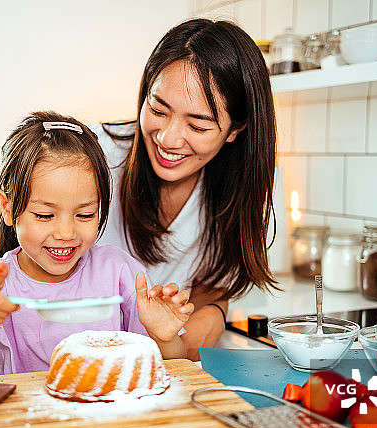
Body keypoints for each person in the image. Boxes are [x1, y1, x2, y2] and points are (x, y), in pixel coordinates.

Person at [0, 111, 193, 375]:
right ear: (7, 207)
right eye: (45, 215)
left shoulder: (117, 272)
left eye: (85, 214)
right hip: (24, 426)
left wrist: (165, 337)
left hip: (104, 423)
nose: (66, 232)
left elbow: (175, 369)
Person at [94, 18, 279, 360]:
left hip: (161, 373)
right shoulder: (93, 157)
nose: (167, 138)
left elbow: (213, 280)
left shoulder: (237, 184)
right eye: (157, 109)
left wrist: (213, 313)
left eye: (197, 125)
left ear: (236, 129)